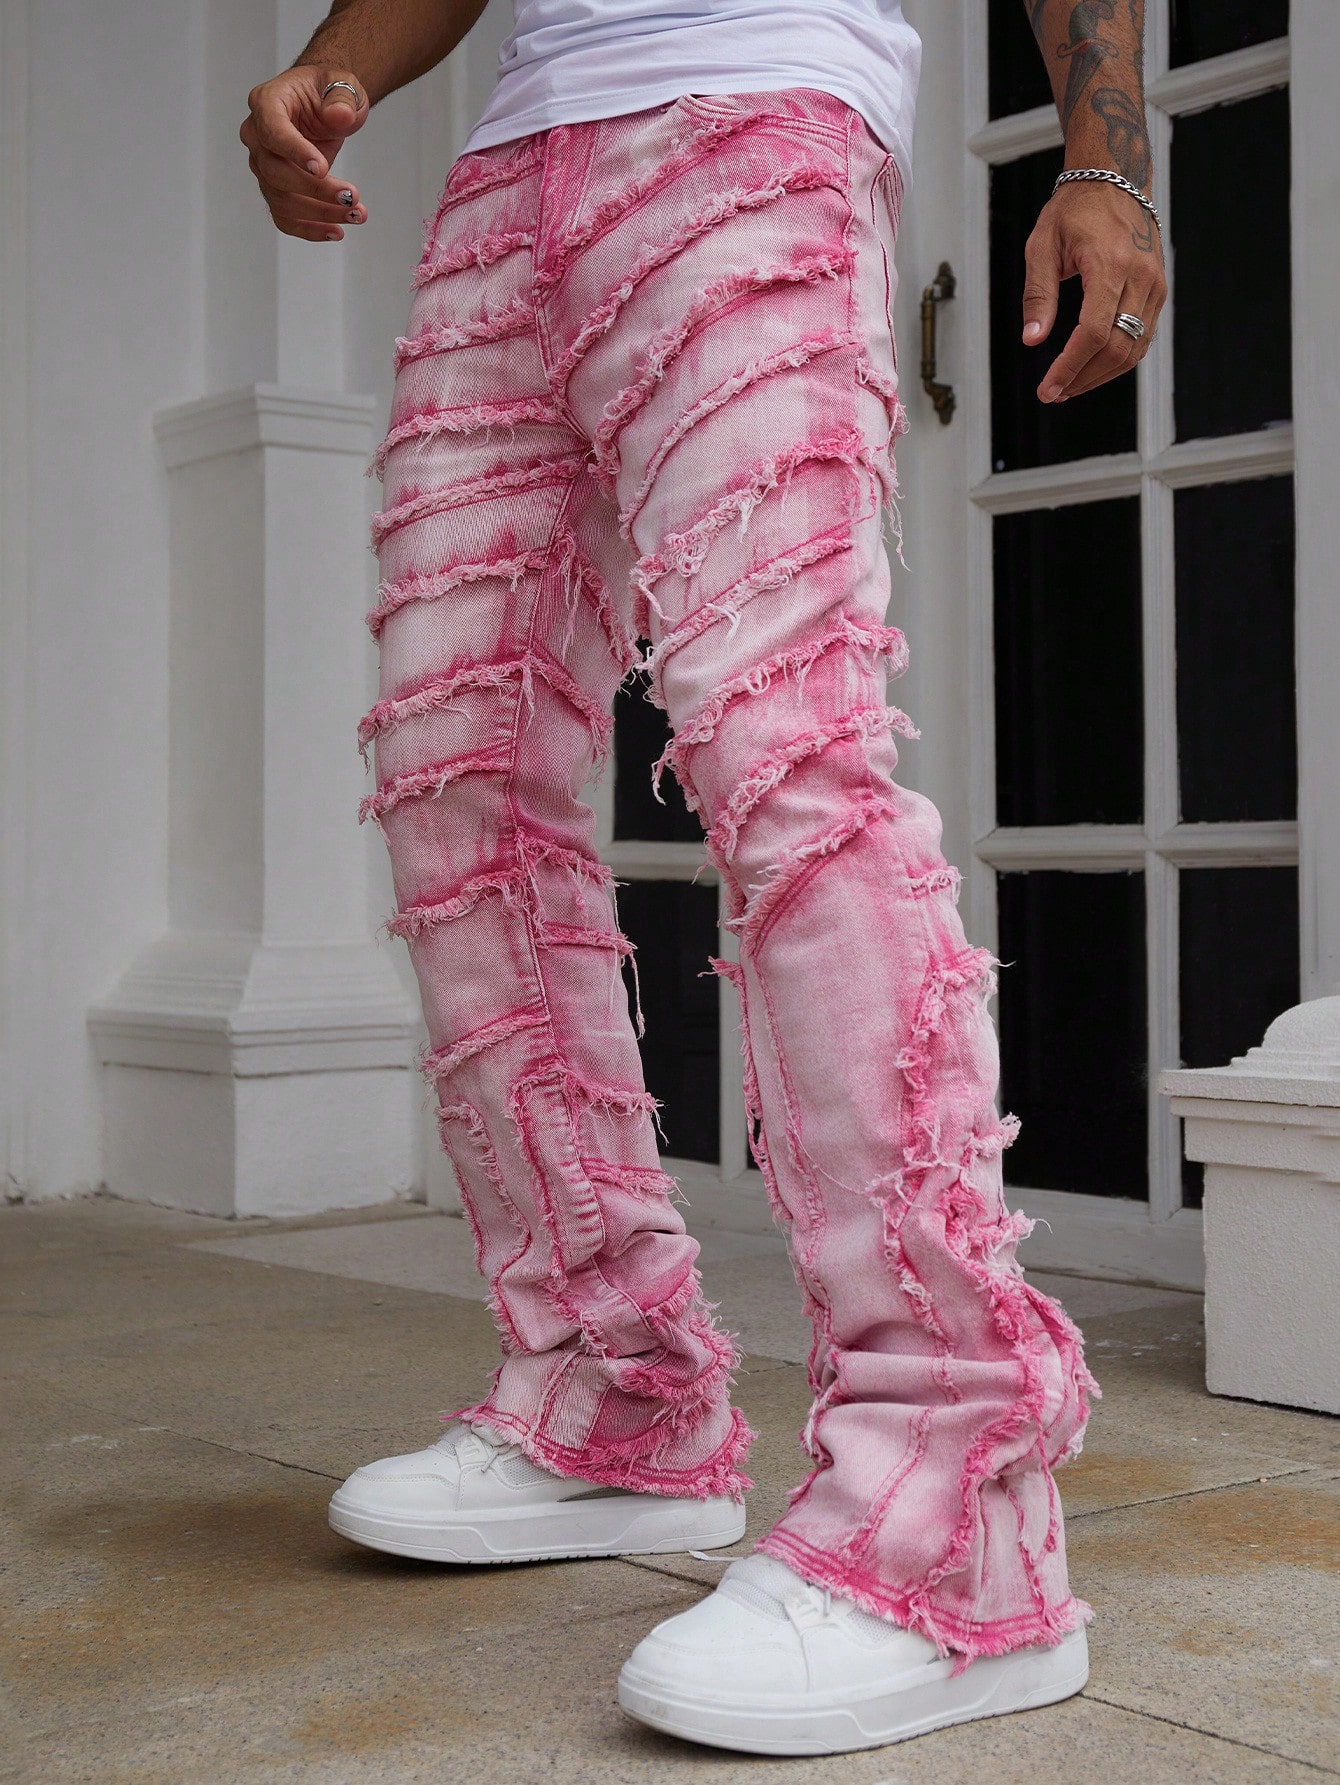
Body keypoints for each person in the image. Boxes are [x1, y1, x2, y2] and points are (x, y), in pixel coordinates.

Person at [241, 0, 1165, 1756]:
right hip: (511, 168)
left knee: (785, 748)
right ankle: (616, 1389)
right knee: (452, 779)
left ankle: (958, 1501)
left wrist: (1106, 152)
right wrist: (340, 59)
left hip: (758, 106)